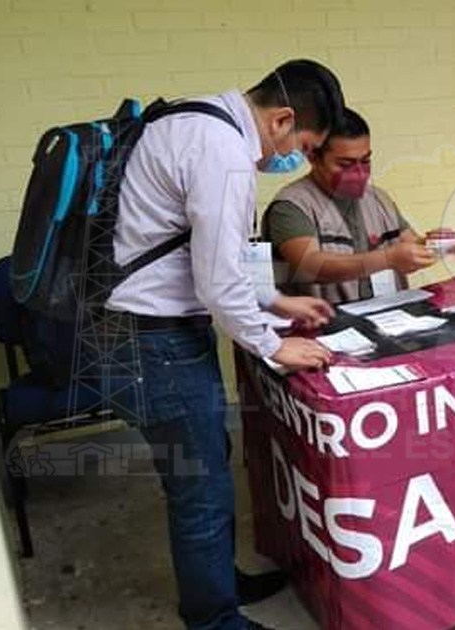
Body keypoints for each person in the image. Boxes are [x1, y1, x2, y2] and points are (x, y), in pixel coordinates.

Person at [106, 59, 347, 630]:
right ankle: (213, 618)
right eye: (305, 145)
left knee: (201, 472)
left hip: (147, 332)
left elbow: (201, 256)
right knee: (201, 487)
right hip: (155, 341)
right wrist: (273, 345)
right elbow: (217, 280)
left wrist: (276, 303)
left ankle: (213, 581)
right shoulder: (224, 154)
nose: (295, 159)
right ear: (283, 119)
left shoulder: (195, 118)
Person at [262, 107, 437, 304]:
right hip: (320, 327)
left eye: (366, 161)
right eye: (345, 164)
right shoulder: (291, 206)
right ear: (312, 157)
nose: (360, 174)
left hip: (386, 319)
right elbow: (310, 266)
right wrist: (388, 258)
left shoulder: (379, 198)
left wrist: (435, 245)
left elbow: (410, 244)